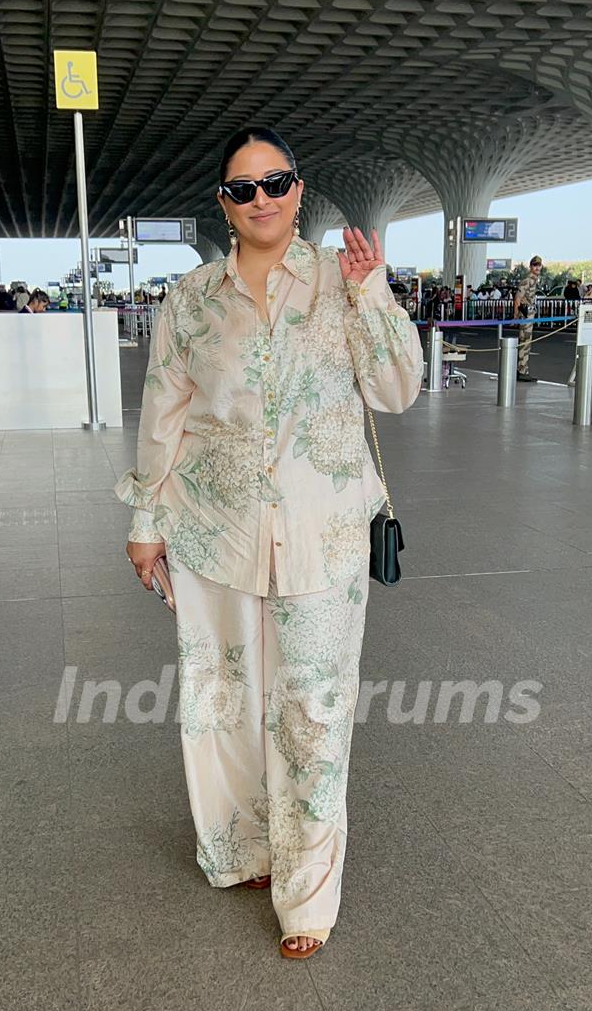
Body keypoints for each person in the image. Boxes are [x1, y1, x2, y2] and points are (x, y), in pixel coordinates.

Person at [116, 125, 423, 960]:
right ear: (223, 200)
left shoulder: (341, 279)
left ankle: (309, 895)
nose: (263, 200)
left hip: (323, 536)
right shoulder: (191, 299)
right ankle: (247, 849)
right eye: (244, 187)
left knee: (314, 715)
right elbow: (164, 415)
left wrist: (373, 296)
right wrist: (145, 523)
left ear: (300, 189)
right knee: (223, 705)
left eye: (277, 182)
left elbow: (397, 392)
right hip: (213, 531)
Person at [513, 254, 543, 382]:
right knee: (524, 343)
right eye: (534, 265)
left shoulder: (534, 280)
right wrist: (515, 316)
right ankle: (522, 370)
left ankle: (522, 369)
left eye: (539, 265)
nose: (537, 268)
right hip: (525, 315)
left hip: (529, 314)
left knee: (526, 343)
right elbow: (517, 299)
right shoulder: (527, 280)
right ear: (531, 267)